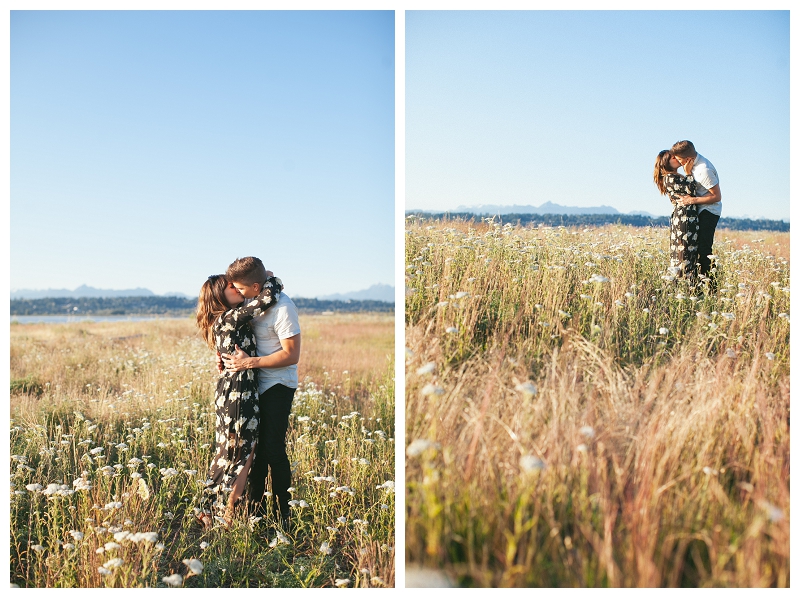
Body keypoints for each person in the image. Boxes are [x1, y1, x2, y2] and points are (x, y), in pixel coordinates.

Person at [219, 256, 301, 532]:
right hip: (253, 384)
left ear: (255, 286)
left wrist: (248, 363)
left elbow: (292, 355)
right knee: (254, 451)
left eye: (240, 289)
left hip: (278, 383)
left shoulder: (284, 308)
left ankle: (284, 516)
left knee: (273, 449)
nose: (237, 293)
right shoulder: (252, 303)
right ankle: (256, 515)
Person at [195, 273, 282, 529]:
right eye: (229, 286)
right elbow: (266, 299)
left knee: (229, 452)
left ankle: (208, 509)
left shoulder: (223, 319)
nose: (235, 287)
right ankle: (227, 515)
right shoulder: (230, 317)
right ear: (219, 296)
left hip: (231, 390)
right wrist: (270, 279)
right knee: (242, 453)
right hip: (238, 391)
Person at [670, 140, 722, 287]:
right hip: (699, 209)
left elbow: (717, 197)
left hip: (709, 211)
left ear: (687, 159)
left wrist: (691, 200)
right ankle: (697, 285)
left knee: (704, 250)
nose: (678, 163)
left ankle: (711, 287)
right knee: (695, 249)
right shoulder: (692, 167)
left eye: (679, 160)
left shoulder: (703, 170)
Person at [653, 150, 699, 280]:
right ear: (666, 162)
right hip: (684, 218)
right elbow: (691, 190)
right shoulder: (670, 177)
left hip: (686, 216)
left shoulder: (674, 176)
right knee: (684, 252)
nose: (676, 158)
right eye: (673, 157)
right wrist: (688, 172)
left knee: (687, 251)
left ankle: (686, 283)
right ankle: (682, 283)